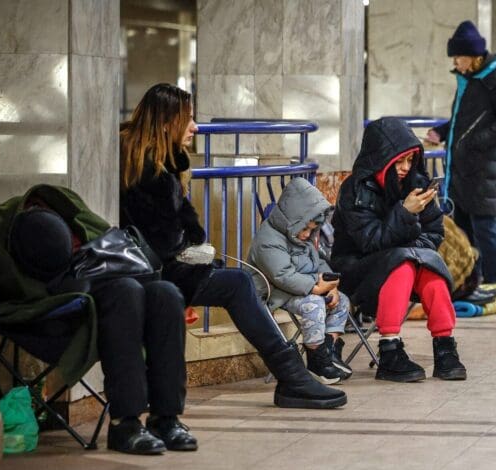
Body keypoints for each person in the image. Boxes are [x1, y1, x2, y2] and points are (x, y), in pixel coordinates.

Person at [120, 83, 346, 410]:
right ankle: (293, 377)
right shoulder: (148, 168)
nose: (195, 128)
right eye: (189, 119)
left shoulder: (149, 159)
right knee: (238, 283)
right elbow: (165, 239)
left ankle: (293, 377)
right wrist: (196, 256)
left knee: (234, 282)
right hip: (147, 271)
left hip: (153, 266)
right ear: (167, 122)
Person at [0, 186, 193, 455]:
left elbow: (109, 241)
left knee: (166, 294)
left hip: (91, 280)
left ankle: (166, 418)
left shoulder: (64, 208)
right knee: (126, 294)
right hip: (45, 311)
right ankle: (125, 423)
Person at [332, 117, 466, 383]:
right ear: (382, 158)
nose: (406, 168)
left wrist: (416, 251)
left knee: (428, 265)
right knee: (402, 263)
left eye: (410, 160)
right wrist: (405, 213)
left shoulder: (417, 183)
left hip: (399, 262)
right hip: (357, 269)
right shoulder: (355, 190)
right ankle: (390, 350)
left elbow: (434, 233)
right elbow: (370, 242)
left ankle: (445, 347)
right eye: (400, 161)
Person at [425, 21, 496, 285]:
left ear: (474, 57)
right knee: (463, 224)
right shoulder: (468, 80)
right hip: (462, 164)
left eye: (459, 57)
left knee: (486, 224)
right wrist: (442, 132)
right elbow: (462, 119)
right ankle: (468, 281)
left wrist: (476, 141)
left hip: (482, 164)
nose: (456, 62)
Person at [247, 177, 353, 384]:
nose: (307, 234)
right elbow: (282, 276)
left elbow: (318, 263)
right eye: (304, 228)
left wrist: (331, 286)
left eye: (312, 229)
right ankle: (316, 359)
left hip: (303, 286)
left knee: (342, 301)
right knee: (313, 305)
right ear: (291, 219)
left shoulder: (300, 238)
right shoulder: (268, 240)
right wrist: (315, 288)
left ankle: (326, 351)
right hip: (276, 292)